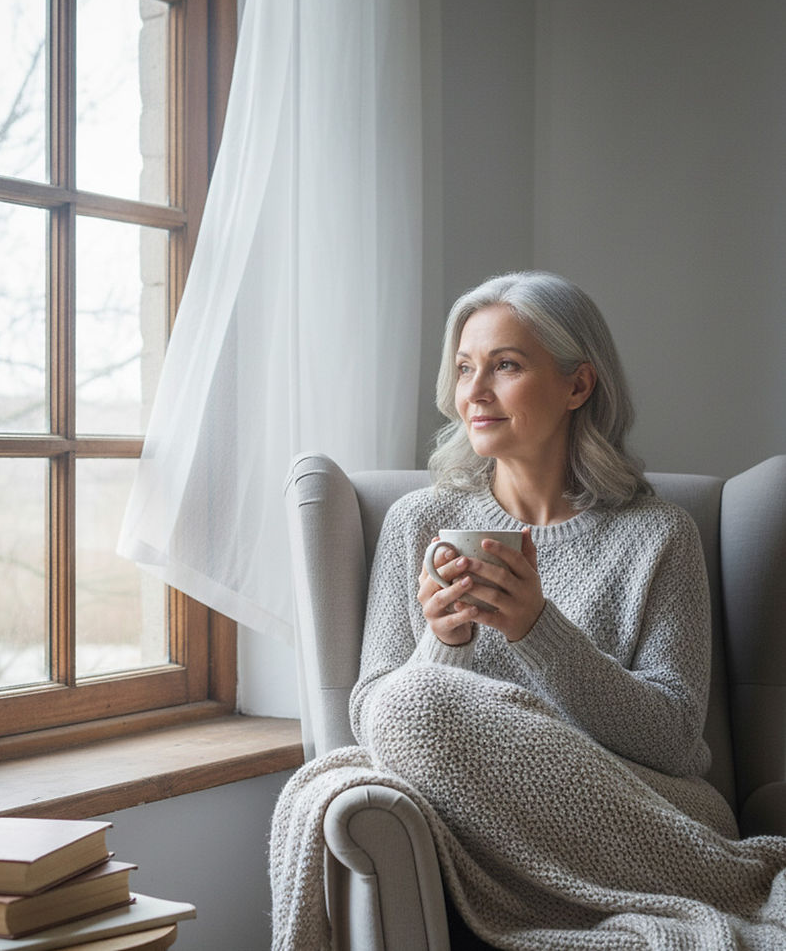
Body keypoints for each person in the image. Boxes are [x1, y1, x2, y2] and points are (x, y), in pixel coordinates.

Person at [270, 271, 786, 949]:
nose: (474, 393)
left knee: (416, 704)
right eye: (464, 369)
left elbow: (676, 742)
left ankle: (717, 880)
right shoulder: (418, 522)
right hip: (480, 821)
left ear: (578, 385)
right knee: (406, 702)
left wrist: (537, 631)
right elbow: (373, 717)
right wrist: (444, 640)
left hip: (659, 815)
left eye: (505, 365)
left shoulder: (659, 533)